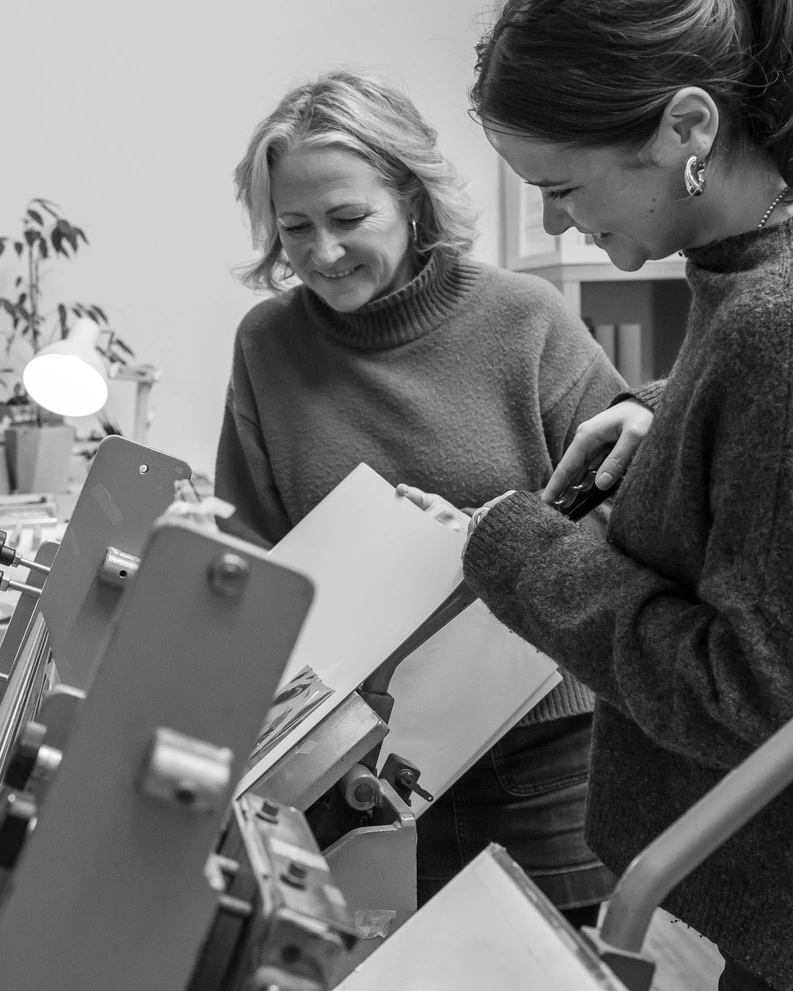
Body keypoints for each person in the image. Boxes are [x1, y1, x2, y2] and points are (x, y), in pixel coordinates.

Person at [398, 2, 793, 988]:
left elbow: (747, 691)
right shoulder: (743, 290)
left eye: (561, 186)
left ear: (689, 131)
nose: (553, 221)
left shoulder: (769, 331)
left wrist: (518, 549)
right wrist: (661, 416)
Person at [214, 68, 632, 928]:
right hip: (358, 757)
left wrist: (491, 533)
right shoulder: (267, 345)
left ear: (411, 199)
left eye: (348, 218)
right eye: (294, 227)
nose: (321, 253)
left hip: (543, 745)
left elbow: (636, 506)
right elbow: (253, 543)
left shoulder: (525, 318)